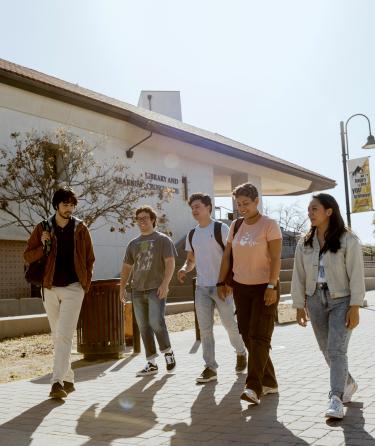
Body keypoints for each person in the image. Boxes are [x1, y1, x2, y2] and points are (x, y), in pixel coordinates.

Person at [291, 193, 365, 420]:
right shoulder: (304, 242)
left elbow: (356, 274)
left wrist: (355, 306)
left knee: (336, 350)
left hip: (341, 299)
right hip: (314, 299)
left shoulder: (348, 239)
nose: (310, 213)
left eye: (315, 208)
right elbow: (298, 275)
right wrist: (298, 305)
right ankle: (348, 383)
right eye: (309, 209)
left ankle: (335, 398)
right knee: (327, 350)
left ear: (329, 211)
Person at [24, 187, 95, 399]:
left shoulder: (81, 228)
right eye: (65, 204)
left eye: (72, 205)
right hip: (50, 288)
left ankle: (56, 382)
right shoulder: (43, 227)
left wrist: (85, 285)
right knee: (58, 336)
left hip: (74, 288)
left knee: (64, 334)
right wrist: (43, 244)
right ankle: (69, 378)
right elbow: (27, 256)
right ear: (56, 205)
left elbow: (90, 259)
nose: (69, 209)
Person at [217, 182, 282, 405]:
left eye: (246, 203)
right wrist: (221, 281)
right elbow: (227, 256)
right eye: (239, 204)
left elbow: (275, 258)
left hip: (265, 286)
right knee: (247, 334)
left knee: (259, 336)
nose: (242, 207)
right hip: (241, 287)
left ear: (256, 201)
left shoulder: (269, 225)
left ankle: (253, 387)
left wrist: (272, 286)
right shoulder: (235, 226)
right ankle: (270, 381)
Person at [177, 193, 247, 383]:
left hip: (221, 287)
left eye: (198, 206)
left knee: (229, 326)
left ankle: (241, 352)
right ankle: (210, 367)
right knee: (205, 330)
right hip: (201, 288)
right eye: (192, 208)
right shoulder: (192, 234)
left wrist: (228, 282)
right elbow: (191, 260)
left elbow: (232, 256)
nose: (194, 210)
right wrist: (184, 269)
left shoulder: (221, 228)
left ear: (208, 207)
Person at [120, 205, 177, 377]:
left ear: (153, 219)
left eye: (145, 217)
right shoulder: (133, 243)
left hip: (155, 289)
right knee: (144, 326)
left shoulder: (163, 240)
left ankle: (168, 352)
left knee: (156, 322)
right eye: (139, 218)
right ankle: (151, 363)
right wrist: (122, 287)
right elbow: (126, 267)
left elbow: (170, 263)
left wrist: (165, 284)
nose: (142, 221)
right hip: (137, 290)